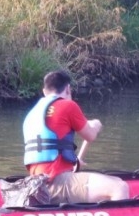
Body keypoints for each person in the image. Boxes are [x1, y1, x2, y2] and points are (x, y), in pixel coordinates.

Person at [22, 70, 129, 203]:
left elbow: (50, 152)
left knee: (116, 180)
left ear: (44, 91)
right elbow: (90, 136)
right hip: (55, 183)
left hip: (37, 183)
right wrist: (95, 125)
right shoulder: (68, 105)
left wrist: (76, 162)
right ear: (68, 89)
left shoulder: (32, 114)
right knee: (119, 187)